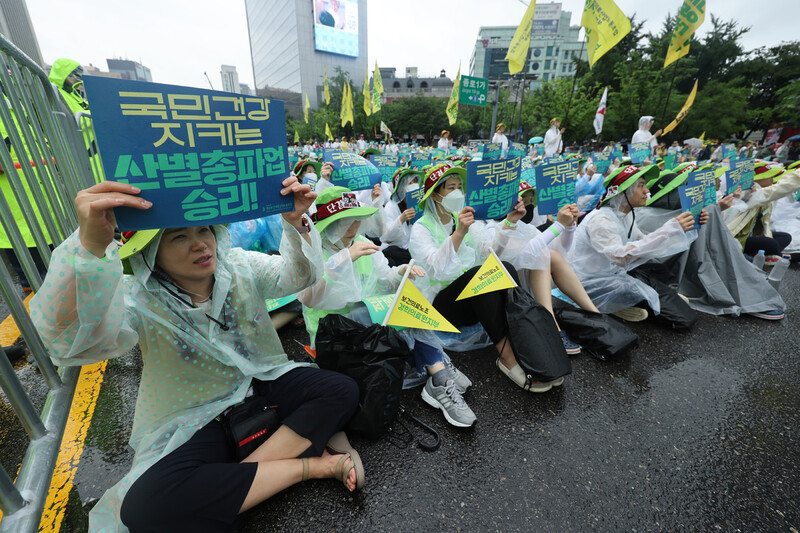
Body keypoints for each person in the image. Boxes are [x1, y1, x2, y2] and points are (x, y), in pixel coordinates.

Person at [30, 178, 365, 531]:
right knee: (142, 509)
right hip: (199, 417)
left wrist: (294, 221)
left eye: (204, 229)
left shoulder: (239, 267)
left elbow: (299, 275)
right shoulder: (137, 299)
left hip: (263, 382)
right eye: (178, 236)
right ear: (149, 252)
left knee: (341, 389)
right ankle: (310, 465)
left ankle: (232, 486)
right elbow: (68, 342)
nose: (200, 244)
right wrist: (89, 249)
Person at [298, 185, 476, 427]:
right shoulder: (313, 248)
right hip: (333, 335)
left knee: (405, 300)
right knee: (396, 311)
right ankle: (440, 370)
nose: (353, 228)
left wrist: (401, 273)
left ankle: (439, 372)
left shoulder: (360, 242)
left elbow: (384, 280)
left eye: (356, 220)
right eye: (345, 222)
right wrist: (344, 259)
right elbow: (308, 297)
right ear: (329, 224)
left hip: (368, 321)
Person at [409, 164, 568, 393]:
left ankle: (531, 347)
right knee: (478, 277)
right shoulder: (421, 229)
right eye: (450, 187)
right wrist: (458, 234)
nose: (457, 192)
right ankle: (507, 357)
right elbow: (436, 270)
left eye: (459, 186)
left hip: (470, 295)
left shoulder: (462, 217)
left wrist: (511, 222)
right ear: (435, 195)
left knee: (505, 269)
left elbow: (490, 252)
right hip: (442, 305)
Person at [569, 165, 703, 329]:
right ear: (623, 190)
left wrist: (689, 226)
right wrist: (667, 230)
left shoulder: (626, 215)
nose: (647, 190)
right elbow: (621, 257)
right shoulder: (602, 220)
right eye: (640, 185)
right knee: (684, 319)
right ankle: (615, 304)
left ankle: (645, 300)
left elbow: (645, 244)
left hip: (614, 275)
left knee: (658, 271)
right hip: (593, 284)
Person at [726, 161, 800, 264]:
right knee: (770, 243)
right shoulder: (746, 194)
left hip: (752, 235)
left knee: (785, 237)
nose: (772, 179)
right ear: (758, 179)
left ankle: (770, 254)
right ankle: (779, 256)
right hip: (739, 239)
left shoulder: (764, 197)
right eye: (769, 176)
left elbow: (766, 224)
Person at [380, 167, 421, 266]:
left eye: (415, 182)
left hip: (414, 253)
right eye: (409, 183)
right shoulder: (391, 206)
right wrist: (401, 219)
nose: (413, 186)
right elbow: (385, 237)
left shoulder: (420, 204)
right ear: (401, 187)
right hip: (395, 254)